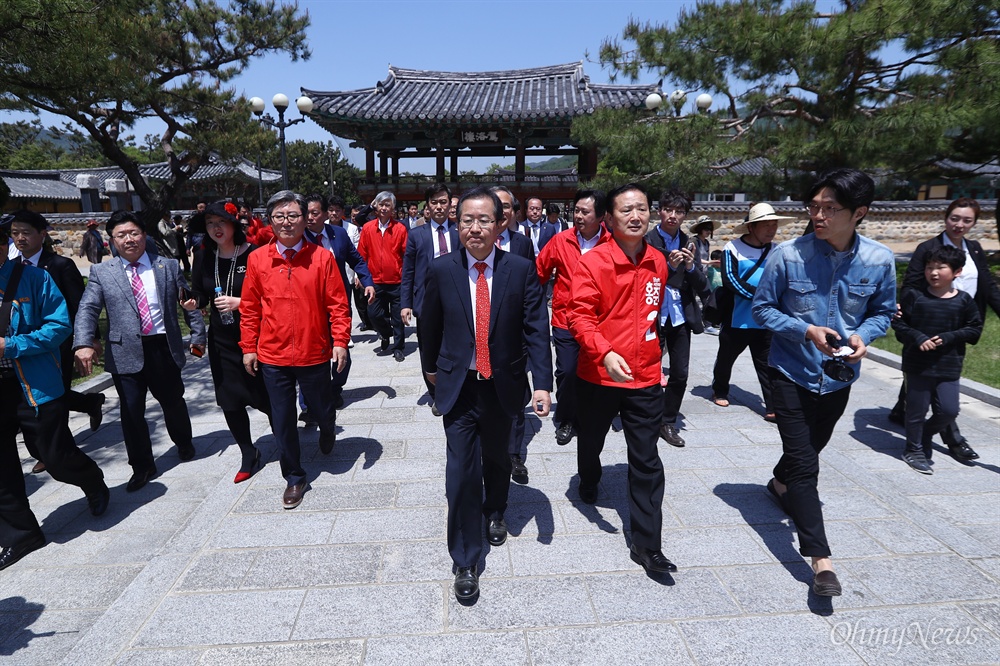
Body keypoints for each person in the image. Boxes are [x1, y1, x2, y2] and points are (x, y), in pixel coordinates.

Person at [753, 168, 895, 597]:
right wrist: (804, 330)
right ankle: (821, 561)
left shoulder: (879, 259)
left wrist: (863, 336)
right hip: (790, 372)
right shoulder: (788, 255)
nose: (818, 215)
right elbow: (762, 310)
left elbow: (883, 312)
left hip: (838, 379)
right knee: (806, 463)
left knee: (805, 453)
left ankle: (778, 485)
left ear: (858, 213)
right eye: (813, 207)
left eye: (829, 209)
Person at [420, 187, 552, 600]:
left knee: (497, 458)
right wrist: (432, 374)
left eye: (483, 221)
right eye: (466, 221)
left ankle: (496, 508)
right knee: (460, 472)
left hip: (503, 385)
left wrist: (543, 382)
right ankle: (464, 559)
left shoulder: (520, 269)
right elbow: (430, 327)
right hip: (459, 388)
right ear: (457, 225)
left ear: (500, 224)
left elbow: (535, 329)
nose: (474, 229)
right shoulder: (442, 270)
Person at [568, 182, 676, 575]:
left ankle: (648, 546)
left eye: (642, 209)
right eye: (626, 210)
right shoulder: (592, 263)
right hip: (598, 374)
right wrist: (604, 351)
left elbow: (652, 316)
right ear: (609, 219)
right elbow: (578, 316)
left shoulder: (658, 262)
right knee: (591, 439)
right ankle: (589, 477)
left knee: (647, 460)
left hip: (645, 376)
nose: (636, 216)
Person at [0, 221, 110, 571]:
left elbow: (58, 326)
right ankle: (22, 534)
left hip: (33, 384)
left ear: (3, 248)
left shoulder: (33, 279)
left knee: (54, 455)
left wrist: (12, 345)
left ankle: (92, 480)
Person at [74, 211, 205, 492]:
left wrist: (198, 335)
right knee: (131, 412)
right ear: (112, 242)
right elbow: (88, 308)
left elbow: (188, 302)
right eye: (121, 235)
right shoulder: (102, 272)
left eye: (134, 233)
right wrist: (84, 341)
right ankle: (142, 466)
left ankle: (183, 442)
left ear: (144, 235)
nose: (129, 239)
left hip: (162, 346)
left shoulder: (167, 267)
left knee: (173, 401)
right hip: (124, 351)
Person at [239, 190, 351, 510]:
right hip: (273, 355)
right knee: (283, 417)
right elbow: (250, 309)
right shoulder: (258, 259)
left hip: (313, 351)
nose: (287, 222)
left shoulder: (322, 258)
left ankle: (327, 427)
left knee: (321, 405)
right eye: (279, 217)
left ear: (306, 219)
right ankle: (294, 476)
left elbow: (338, 306)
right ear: (270, 221)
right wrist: (249, 347)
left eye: (293, 216)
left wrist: (340, 341)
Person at [888, 197, 999, 458]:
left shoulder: (973, 248)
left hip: (959, 322)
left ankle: (900, 412)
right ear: (946, 217)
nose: (960, 224)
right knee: (926, 377)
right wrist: (907, 315)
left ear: (974, 222)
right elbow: (912, 285)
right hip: (927, 323)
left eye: (967, 220)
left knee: (930, 378)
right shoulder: (929, 247)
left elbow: (987, 286)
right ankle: (953, 439)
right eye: (955, 218)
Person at [8, 210, 106, 476]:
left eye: (26, 232)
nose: (20, 238)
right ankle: (87, 406)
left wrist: (89, 339)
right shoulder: (10, 268)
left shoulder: (60, 265)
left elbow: (79, 305)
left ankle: (58, 452)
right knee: (47, 398)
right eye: (15, 233)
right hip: (23, 351)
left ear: (42, 234)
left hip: (57, 346)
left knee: (54, 400)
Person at [183, 200, 272, 483]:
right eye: (210, 223)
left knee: (268, 398)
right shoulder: (203, 255)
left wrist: (241, 302)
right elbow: (201, 292)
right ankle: (248, 452)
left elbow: (273, 298)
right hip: (222, 339)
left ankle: (286, 440)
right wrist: (193, 302)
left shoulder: (256, 255)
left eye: (221, 222)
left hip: (257, 337)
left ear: (234, 224)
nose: (216, 228)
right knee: (230, 400)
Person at [892, 245, 982, 473]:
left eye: (940, 267)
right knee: (915, 411)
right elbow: (900, 324)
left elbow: (974, 330)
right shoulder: (915, 297)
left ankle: (924, 434)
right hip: (917, 365)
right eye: (929, 267)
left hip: (949, 364)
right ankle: (913, 450)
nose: (933, 272)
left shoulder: (964, 301)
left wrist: (948, 337)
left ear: (957, 271)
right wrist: (918, 337)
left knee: (949, 411)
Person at [536, 190, 611, 448]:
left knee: (595, 372)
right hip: (565, 318)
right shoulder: (561, 240)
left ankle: (590, 416)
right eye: (576, 210)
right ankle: (566, 419)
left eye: (585, 211)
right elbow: (539, 272)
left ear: (601, 216)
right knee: (567, 371)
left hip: (599, 322)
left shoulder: (612, 243)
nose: (578, 216)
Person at [710, 203, 793, 421]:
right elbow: (731, 280)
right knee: (726, 358)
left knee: (767, 363)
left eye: (774, 224)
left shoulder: (777, 250)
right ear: (752, 227)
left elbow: (782, 279)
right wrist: (762, 297)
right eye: (766, 225)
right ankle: (720, 389)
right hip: (738, 318)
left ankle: (772, 406)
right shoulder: (732, 248)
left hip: (766, 320)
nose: (771, 229)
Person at [645, 190, 708, 448]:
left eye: (679, 211)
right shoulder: (646, 240)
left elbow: (703, 285)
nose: (673, 216)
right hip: (652, 315)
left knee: (680, 373)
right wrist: (669, 267)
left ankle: (667, 420)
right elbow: (640, 278)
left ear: (685, 215)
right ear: (659, 211)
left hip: (680, 316)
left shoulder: (689, 242)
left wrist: (691, 267)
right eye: (668, 209)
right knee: (648, 372)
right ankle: (644, 417)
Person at [304, 193, 375, 410]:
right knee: (312, 353)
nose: (309, 218)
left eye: (315, 213)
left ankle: (336, 388)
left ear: (325, 214)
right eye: (305, 213)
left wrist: (367, 281)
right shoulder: (298, 238)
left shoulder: (339, 234)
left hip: (338, 302)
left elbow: (356, 260)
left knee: (341, 348)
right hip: (309, 306)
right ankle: (310, 402)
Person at [489, 186, 535, 480]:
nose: (502, 212)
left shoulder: (522, 243)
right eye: (497, 206)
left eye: (506, 207)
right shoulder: (470, 241)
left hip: (515, 334)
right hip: (482, 334)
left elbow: (532, 289)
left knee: (517, 401)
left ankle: (515, 455)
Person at [401, 183, 458, 416]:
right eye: (434, 202)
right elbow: (408, 272)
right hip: (426, 301)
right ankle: (436, 392)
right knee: (429, 347)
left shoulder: (459, 231)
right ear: (427, 205)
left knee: (454, 345)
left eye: (443, 201)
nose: (439, 206)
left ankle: (453, 388)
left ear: (450, 204)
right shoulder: (416, 235)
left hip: (455, 299)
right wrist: (406, 303)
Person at [357, 191, 408, 361]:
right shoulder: (368, 228)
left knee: (397, 317)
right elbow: (362, 254)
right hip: (374, 281)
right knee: (373, 314)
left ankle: (399, 347)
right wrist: (360, 275)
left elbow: (406, 254)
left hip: (396, 281)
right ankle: (386, 333)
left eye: (388, 205)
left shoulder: (400, 229)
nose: (384, 208)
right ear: (376, 207)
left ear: (393, 208)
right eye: (381, 204)